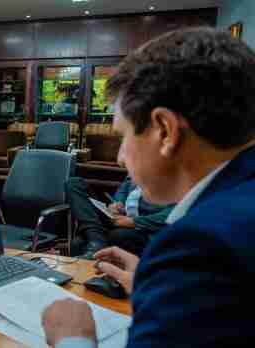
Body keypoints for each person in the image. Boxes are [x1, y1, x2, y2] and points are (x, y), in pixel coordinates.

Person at [41, 27, 255, 348]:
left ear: (165, 131)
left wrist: (73, 337)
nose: (119, 158)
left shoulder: (199, 245)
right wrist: (157, 281)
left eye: (123, 136)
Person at [66, 176, 174, 258]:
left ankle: (96, 240)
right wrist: (117, 204)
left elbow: (173, 214)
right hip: (117, 218)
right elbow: (125, 185)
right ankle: (96, 240)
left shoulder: (178, 176)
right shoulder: (139, 162)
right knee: (74, 183)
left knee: (81, 241)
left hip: (142, 228)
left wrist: (132, 222)